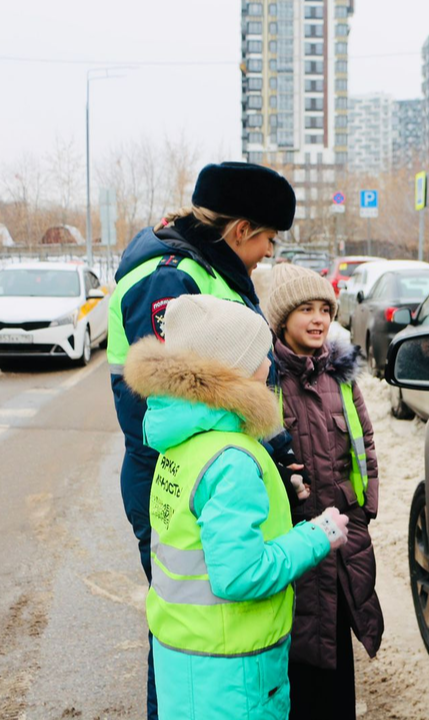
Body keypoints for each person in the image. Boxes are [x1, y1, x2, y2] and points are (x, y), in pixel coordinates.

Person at [107, 161, 296, 718]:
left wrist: (275, 450)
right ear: (240, 230)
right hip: (189, 477)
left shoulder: (204, 265)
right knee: (186, 627)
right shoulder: (172, 278)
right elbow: (181, 398)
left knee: (206, 626)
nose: (268, 253)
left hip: (214, 467)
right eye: (267, 239)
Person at [123, 295, 350, 720]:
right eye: (260, 356)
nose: (269, 366)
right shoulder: (231, 460)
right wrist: (316, 536)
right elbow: (240, 575)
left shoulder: (180, 445)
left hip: (187, 662)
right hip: (233, 675)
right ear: (232, 371)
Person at [264, 263, 384, 720]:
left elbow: (364, 441)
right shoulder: (268, 381)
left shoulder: (341, 375)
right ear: (282, 318)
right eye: (305, 309)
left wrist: (365, 509)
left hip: (343, 542)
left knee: (338, 654)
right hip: (295, 546)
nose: (318, 319)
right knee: (300, 660)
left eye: (324, 310)